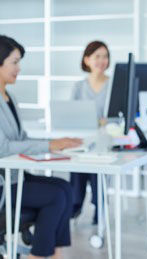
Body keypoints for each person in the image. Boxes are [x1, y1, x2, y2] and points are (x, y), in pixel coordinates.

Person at [0, 35, 82, 259]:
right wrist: (49, 144)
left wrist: (56, 147)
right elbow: (3, 147)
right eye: (14, 62)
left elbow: (22, 137)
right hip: (2, 184)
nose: (19, 68)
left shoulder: (10, 97)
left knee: (64, 188)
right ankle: (37, 257)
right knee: (55, 195)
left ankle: (55, 254)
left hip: (15, 177)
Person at [70, 41, 110, 224]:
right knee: (79, 159)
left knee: (96, 161)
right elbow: (72, 114)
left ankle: (98, 205)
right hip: (83, 139)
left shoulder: (113, 84)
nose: (102, 61)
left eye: (105, 56)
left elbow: (119, 116)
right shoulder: (79, 87)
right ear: (87, 60)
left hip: (106, 140)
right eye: (97, 56)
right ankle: (75, 203)